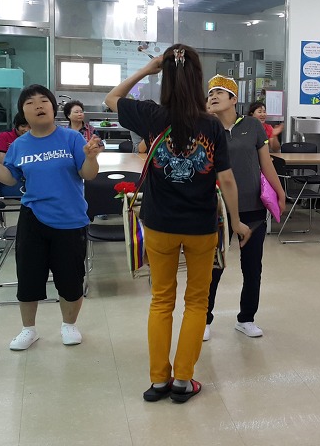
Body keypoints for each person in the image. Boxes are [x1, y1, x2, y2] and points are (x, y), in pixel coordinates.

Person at [104, 44, 252, 405]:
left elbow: (112, 98)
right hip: (201, 226)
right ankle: (183, 380)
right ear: (199, 79)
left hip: (159, 224)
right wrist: (236, 221)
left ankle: (159, 381)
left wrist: (147, 69)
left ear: (165, 77)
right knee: (197, 302)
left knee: (161, 301)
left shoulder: (150, 115)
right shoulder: (211, 125)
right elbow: (226, 180)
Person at [0, 84, 102, 351]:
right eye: (30, 103)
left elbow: (88, 174)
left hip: (69, 218)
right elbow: (10, 178)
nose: (38, 105)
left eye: (43, 101)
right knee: (28, 276)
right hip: (33, 218)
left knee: (70, 278)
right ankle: (28, 329)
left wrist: (91, 158)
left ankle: (69, 325)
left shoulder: (72, 139)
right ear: (23, 113)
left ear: (53, 108)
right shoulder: (19, 145)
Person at [204, 76, 287, 342]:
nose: (213, 96)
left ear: (234, 99)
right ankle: (203, 319)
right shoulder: (204, 127)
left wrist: (280, 192)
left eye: (220, 92)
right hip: (216, 209)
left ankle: (246, 318)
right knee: (213, 267)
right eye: (210, 93)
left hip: (252, 207)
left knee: (252, 267)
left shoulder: (252, 126)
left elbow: (266, 164)